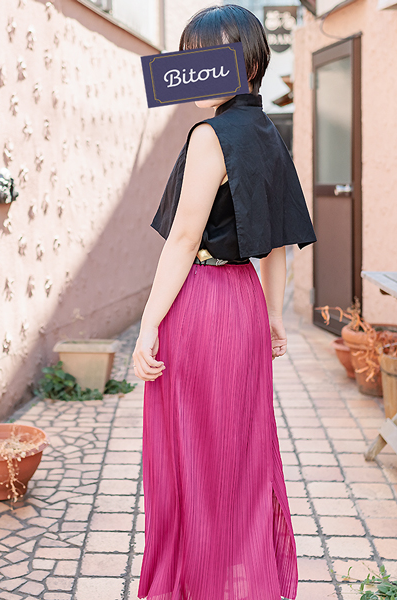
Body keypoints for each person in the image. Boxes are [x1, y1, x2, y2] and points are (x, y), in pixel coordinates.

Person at [132, 5, 317, 600]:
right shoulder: (268, 134)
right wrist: (273, 317)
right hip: (244, 304)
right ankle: (239, 578)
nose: (191, 68)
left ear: (240, 65)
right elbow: (278, 242)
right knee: (238, 452)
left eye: (203, 57)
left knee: (194, 450)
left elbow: (184, 240)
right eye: (188, 57)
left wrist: (147, 324)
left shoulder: (210, 136)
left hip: (202, 305)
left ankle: (198, 581)